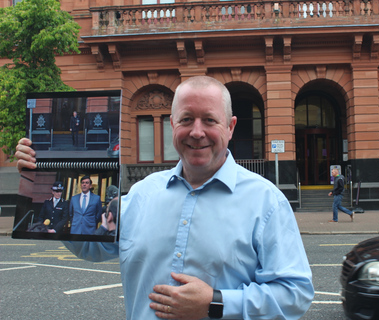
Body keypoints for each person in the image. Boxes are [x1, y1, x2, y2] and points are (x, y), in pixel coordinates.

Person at [15, 76, 314, 320]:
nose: (197, 132)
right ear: (172, 124)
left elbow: (295, 294)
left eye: (209, 120)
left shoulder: (266, 202)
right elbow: (94, 249)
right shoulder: (141, 195)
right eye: (186, 119)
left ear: (231, 127)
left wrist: (217, 302)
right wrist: (42, 168)